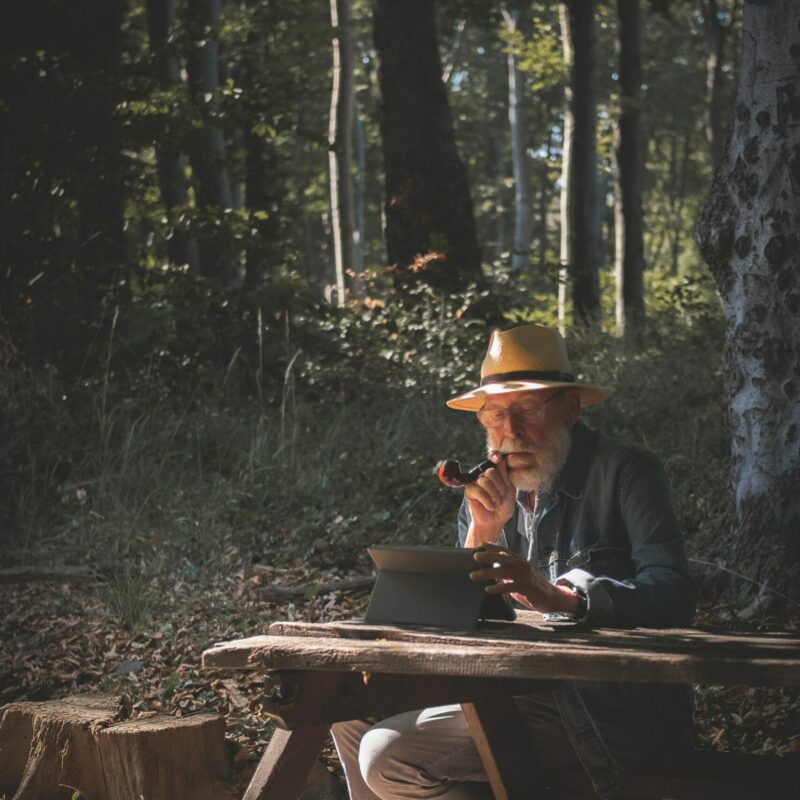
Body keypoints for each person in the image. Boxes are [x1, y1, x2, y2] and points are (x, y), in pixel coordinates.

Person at [331, 324, 696, 799]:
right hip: (503, 687)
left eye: (526, 411)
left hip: (600, 707)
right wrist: (482, 532)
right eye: (496, 416)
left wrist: (562, 598)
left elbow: (674, 595)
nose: (511, 433)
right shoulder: (486, 490)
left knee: (385, 754)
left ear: (571, 407)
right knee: (346, 711)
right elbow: (459, 628)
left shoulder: (626, 472)